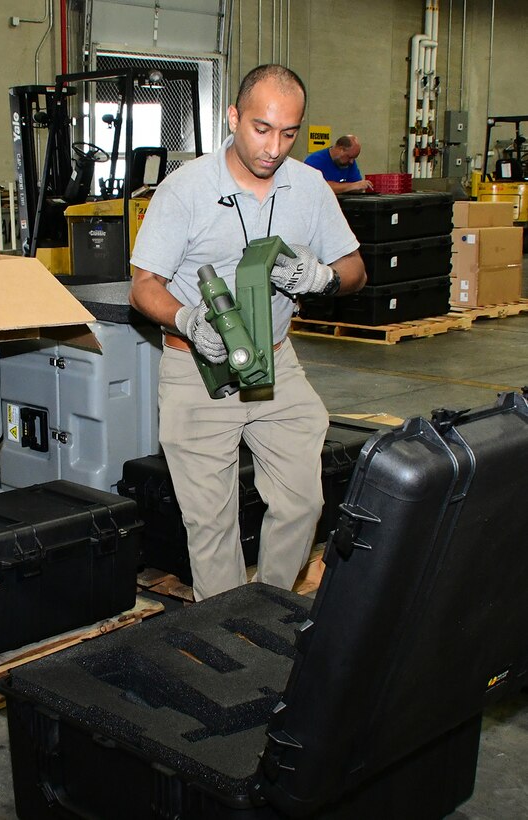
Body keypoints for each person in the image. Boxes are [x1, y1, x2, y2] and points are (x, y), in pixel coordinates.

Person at [129, 64, 366, 601]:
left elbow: (356, 270)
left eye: (289, 133)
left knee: (303, 501)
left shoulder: (309, 187)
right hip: (198, 369)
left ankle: (271, 608)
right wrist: (188, 319)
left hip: (277, 364)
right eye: (261, 128)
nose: (273, 147)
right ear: (233, 117)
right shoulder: (185, 189)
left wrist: (323, 277)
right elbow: (143, 285)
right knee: (211, 524)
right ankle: (228, 627)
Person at [304, 135, 373, 194]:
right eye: (349, 157)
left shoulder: (348, 163)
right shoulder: (314, 161)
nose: (352, 162)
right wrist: (351, 186)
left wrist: (359, 186)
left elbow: (357, 185)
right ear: (341, 149)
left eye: (354, 158)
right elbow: (318, 187)